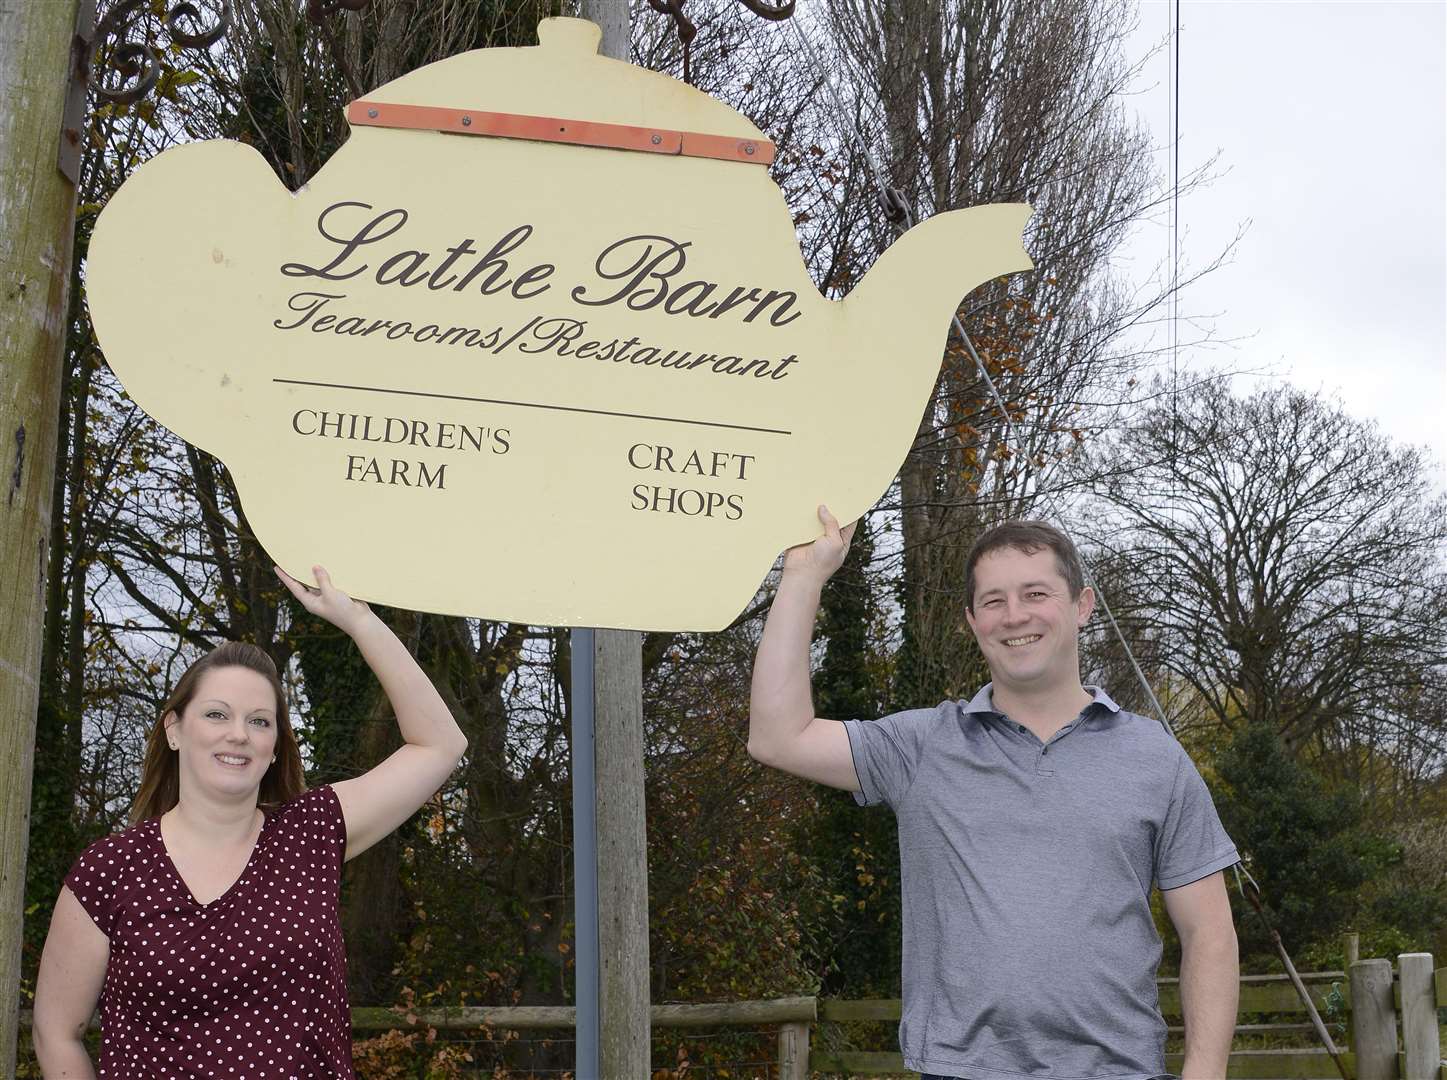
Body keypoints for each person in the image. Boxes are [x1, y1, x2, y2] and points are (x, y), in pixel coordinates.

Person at [748, 510, 1240, 1080]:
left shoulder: (1153, 754)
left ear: (1082, 606)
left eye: (1036, 593)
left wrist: (1205, 1072)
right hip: (958, 1070)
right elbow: (778, 737)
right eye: (994, 601)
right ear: (971, 621)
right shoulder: (922, 745)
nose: (1015, 616)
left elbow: (1209, 933)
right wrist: (805, 576)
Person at [32, 565, 469, 1079]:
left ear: (274, 744)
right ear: (175, 729)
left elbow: (441, 743)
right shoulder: (112, 869)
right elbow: (56, 1030)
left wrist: (358, 620)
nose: (239, 734)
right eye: (217, 714)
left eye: (259, 721)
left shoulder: (310, 834)